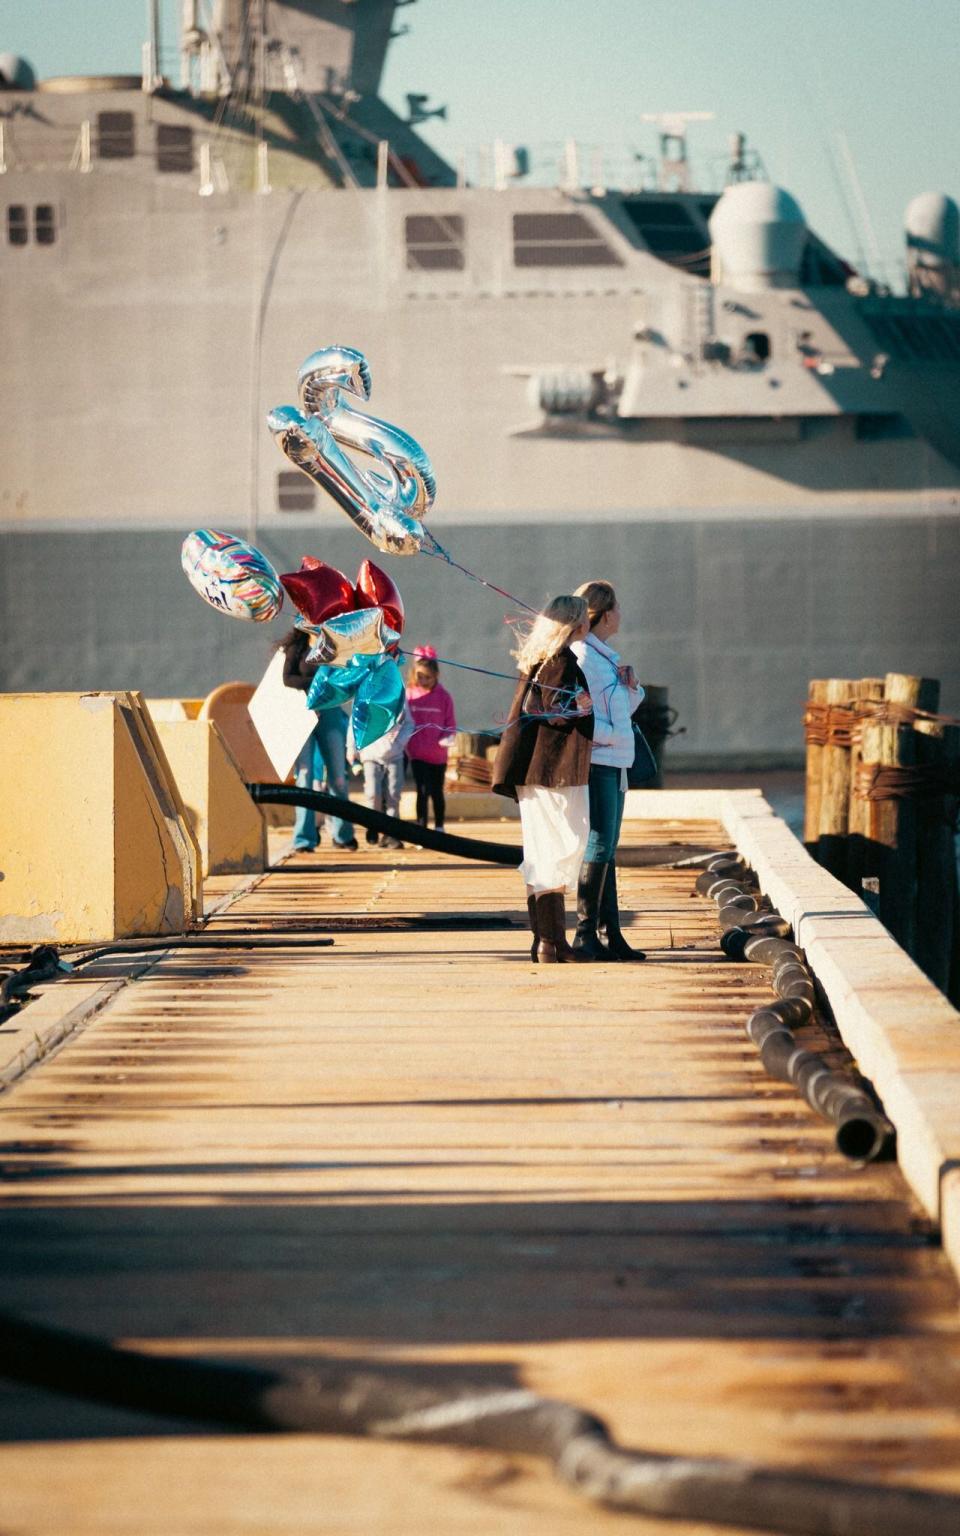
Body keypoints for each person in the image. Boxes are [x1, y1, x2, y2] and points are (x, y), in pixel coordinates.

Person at [491, 594, 594, 964]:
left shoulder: (536, 658)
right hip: (553, 772)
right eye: (583, 618)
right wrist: (580, 707)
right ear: (574, 624)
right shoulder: (560, 661)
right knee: (558, 848)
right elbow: (553, 711)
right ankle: (553, 944)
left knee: (540, 852)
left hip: (534, 774)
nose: (587, 624)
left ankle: (546, 942)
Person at [570, 579, 646, 961]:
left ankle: (610, 932)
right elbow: (584, 717)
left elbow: (620, 708)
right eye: (616, 607)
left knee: (608, 846)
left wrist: (632, 688)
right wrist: (612, 738)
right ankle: (586, 933)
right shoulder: (585, 657)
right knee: (600, 843)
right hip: (601, 761)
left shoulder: (605, 657)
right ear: (602, 613)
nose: (621, 614)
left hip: (615, 761)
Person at [278, 627, 359, 853]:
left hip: (330, 712)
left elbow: (345, 676)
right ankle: (305, 837)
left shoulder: (334, 646)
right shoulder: (298, 647)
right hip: (302, 713)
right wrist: (315, 686)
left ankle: (342, 834)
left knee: (338, 776)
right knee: (305, 774)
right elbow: (288, 678)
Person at [347, 701, 413, 851]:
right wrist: (351, 748)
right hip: (370, 754)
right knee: (373, 794)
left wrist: (399, 744)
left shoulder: (398, 696)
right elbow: (354, 724)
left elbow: (409, 724)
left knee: (393, 795)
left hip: (394, 755)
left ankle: (392, 833)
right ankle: (373, 825)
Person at [405, 645, 456, 832]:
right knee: (422, 790)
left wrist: (447, 738)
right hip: (417, 753)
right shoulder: (409, 695)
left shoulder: (444, 697)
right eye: (420, 676)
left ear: (436, 676)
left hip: (438, 755)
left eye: (428, 677)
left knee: (436, 791)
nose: (424, 680)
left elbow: (450, 722)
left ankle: (440, 826)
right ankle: (421, 827)